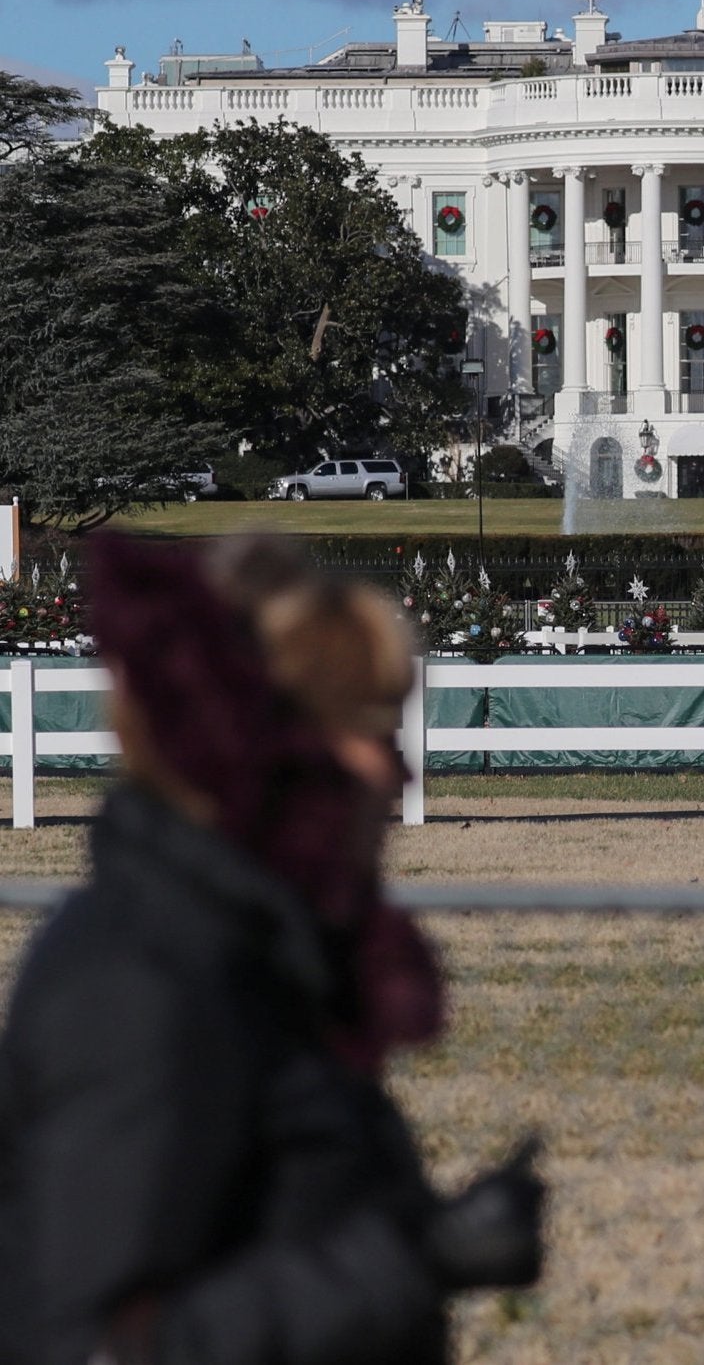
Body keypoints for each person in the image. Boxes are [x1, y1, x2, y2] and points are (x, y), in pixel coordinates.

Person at [0, 536, 542, 1364]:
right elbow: (90, 1347)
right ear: (253, 741)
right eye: (362, 729)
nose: (394, 771)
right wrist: (412, 1257)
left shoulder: (257, 950)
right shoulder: (145, 983)